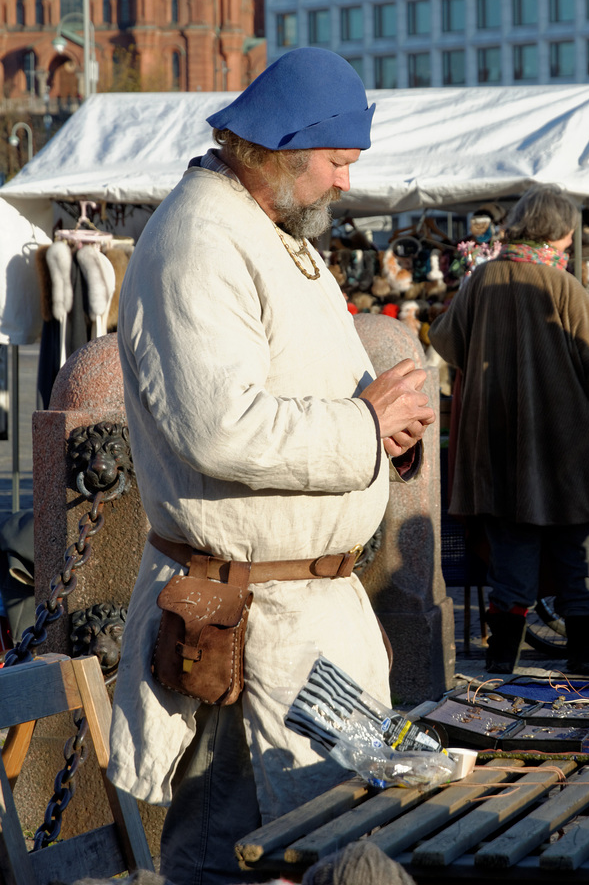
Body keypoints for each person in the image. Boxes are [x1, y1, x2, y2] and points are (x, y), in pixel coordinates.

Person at [107, 47, 435, 885]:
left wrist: (380, 432)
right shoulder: (198, 241)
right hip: (247, 624)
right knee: (233, 855)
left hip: (304, 621)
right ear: (281, 149)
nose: (344, 183)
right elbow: (219, 429)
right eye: (335, 161)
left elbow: (299, 390)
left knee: (313, 838)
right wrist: (362, 424)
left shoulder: (269, 232)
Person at [429, 184, 589, 676]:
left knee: (511, 565)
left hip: (501, 451)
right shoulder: (562, 285)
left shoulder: (482, 279)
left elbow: (445, 339)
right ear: (561, 230)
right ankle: (585, 661)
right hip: (568, 449)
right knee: (578, 559)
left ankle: (501, 663)